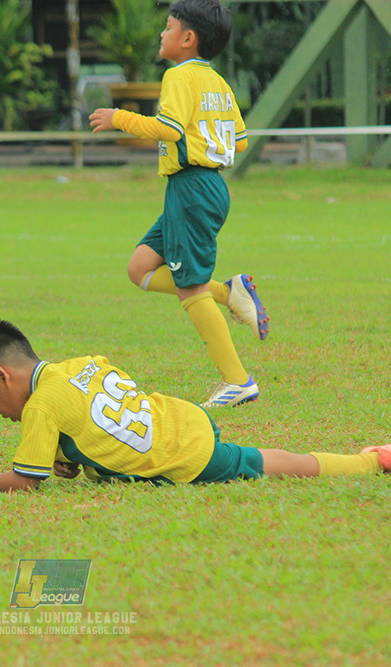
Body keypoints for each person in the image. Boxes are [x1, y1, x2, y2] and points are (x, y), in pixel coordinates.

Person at [0, 320, 391, 491]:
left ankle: (367, 465)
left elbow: (25, 482)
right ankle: (364, 461)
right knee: (259, 457)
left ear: (3, 376)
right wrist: (69, 459)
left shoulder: (41, 407)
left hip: (184, 454)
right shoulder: (80, 363)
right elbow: (98, 417)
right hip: (181, 417)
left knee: (267, 463)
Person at [89, 0, 268, 409]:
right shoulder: (218, 82)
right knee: (139, 269)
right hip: (208, 187)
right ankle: (229, 292)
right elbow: (239, 141)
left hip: (191, 189)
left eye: (168, 27)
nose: (161, 34)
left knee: (190, 289)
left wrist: (121, 118)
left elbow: (168, 129)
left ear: (187, 39)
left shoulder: (178, 76)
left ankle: (238, 381)